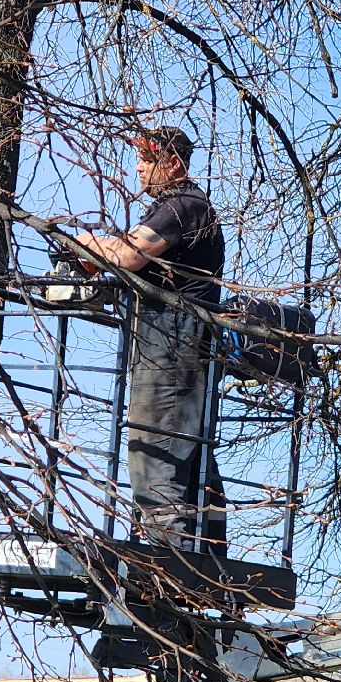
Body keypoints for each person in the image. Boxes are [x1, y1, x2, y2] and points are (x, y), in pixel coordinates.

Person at [74, 126, 228, 555]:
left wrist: (83, 242)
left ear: (172, 162)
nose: (138, 167)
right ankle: (207, 559)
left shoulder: (183, 206)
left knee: (153, 451)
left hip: (171, 345)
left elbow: (127, 254)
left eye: (147, 157)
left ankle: (169, 563)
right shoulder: (184, 208)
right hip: (177, 344)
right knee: (188, 454)